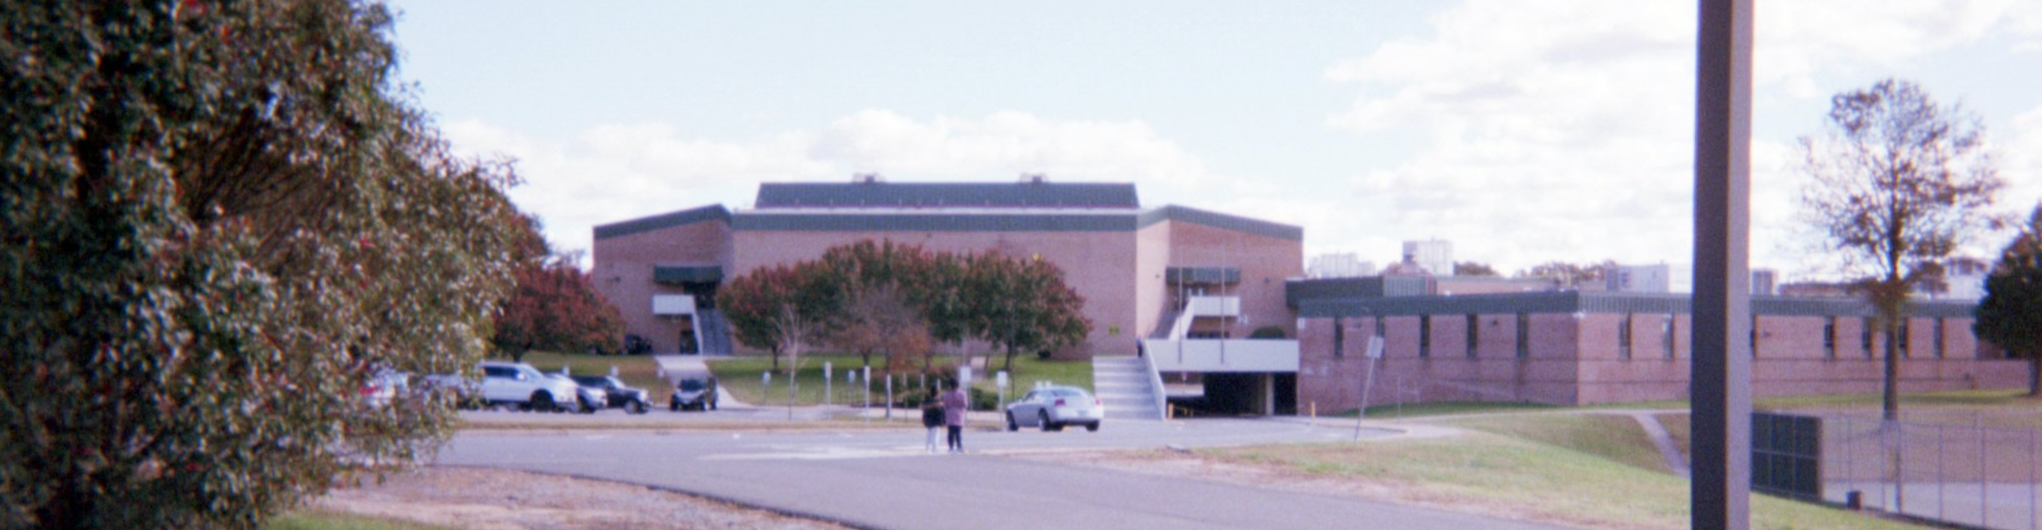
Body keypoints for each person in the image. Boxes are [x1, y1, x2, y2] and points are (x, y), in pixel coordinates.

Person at [940, 381, 969, 453]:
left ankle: (951, 446)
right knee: (958, 432)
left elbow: (945, 404)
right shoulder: (962, 393)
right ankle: (959, 446)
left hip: (949, 414)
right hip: (959, 414)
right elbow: (965, 404)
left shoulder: (946, 394)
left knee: (950, 432)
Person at [920, 388, 943, 454]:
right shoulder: (938, 402)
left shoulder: (927, 401)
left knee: (929, 434)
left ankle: (927, 447)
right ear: (937, 394)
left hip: (928, 420)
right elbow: (940, 412)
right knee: (936, 434)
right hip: (936, 420)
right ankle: (935, 448)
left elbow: (923, 408)